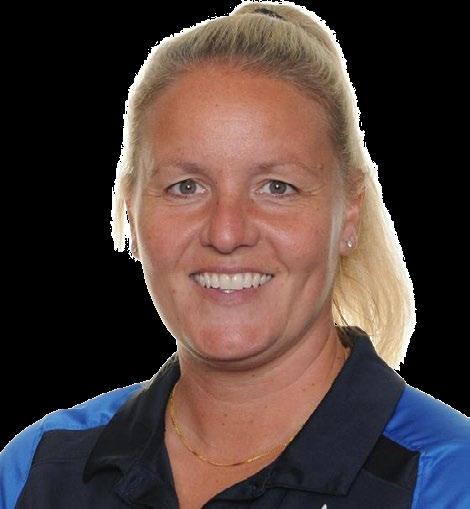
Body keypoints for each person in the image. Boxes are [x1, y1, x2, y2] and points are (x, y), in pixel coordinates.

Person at [1, 2, 469, 508]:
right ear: (131, 211)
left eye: (277, 187)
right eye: (186, 186)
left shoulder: (450, 479)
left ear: (349, 214)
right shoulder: (36, 473)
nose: (226, 233)